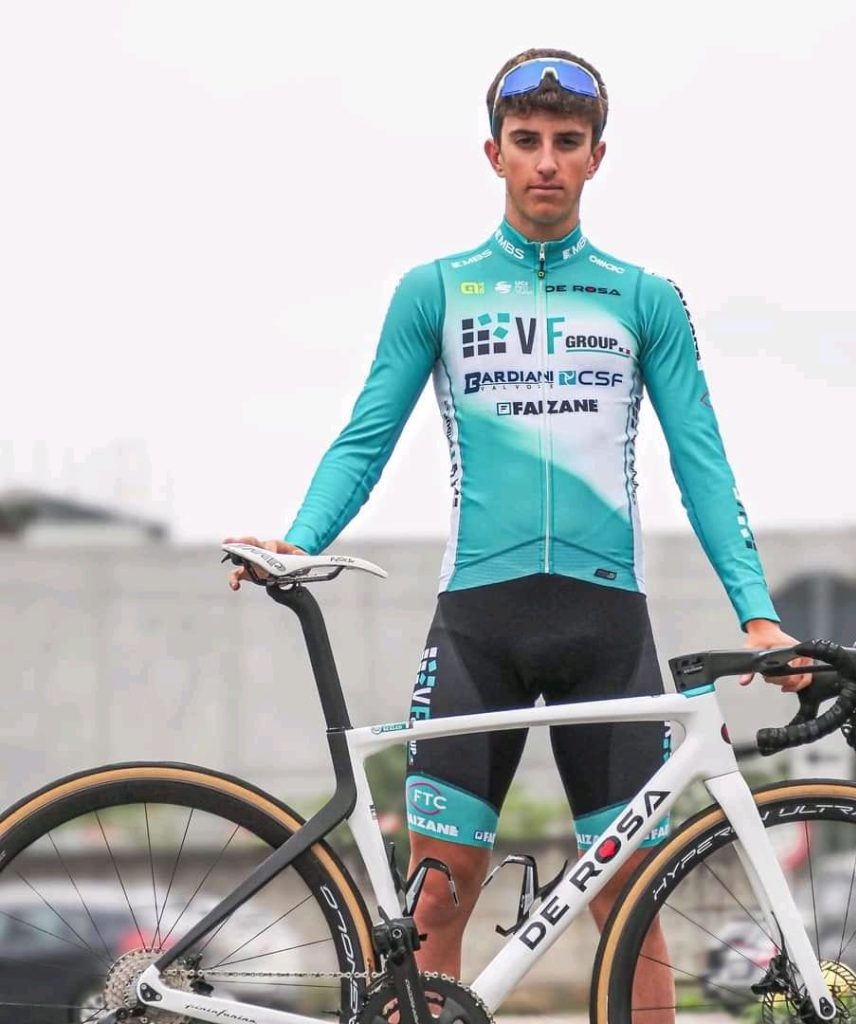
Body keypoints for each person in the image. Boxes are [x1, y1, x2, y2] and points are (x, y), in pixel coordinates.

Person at [226, 47, 810, 1008]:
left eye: (567, 142)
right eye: (526, 140)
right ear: (493, 154)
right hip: (477, 628)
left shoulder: (644, 298)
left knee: (630, 904)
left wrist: (757, 613)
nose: (546, 161)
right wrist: (303, 536)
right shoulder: (436, 290)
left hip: (607, 631)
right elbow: (367, 436)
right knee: (435, 900)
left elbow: (702, 463)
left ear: (597, 157)